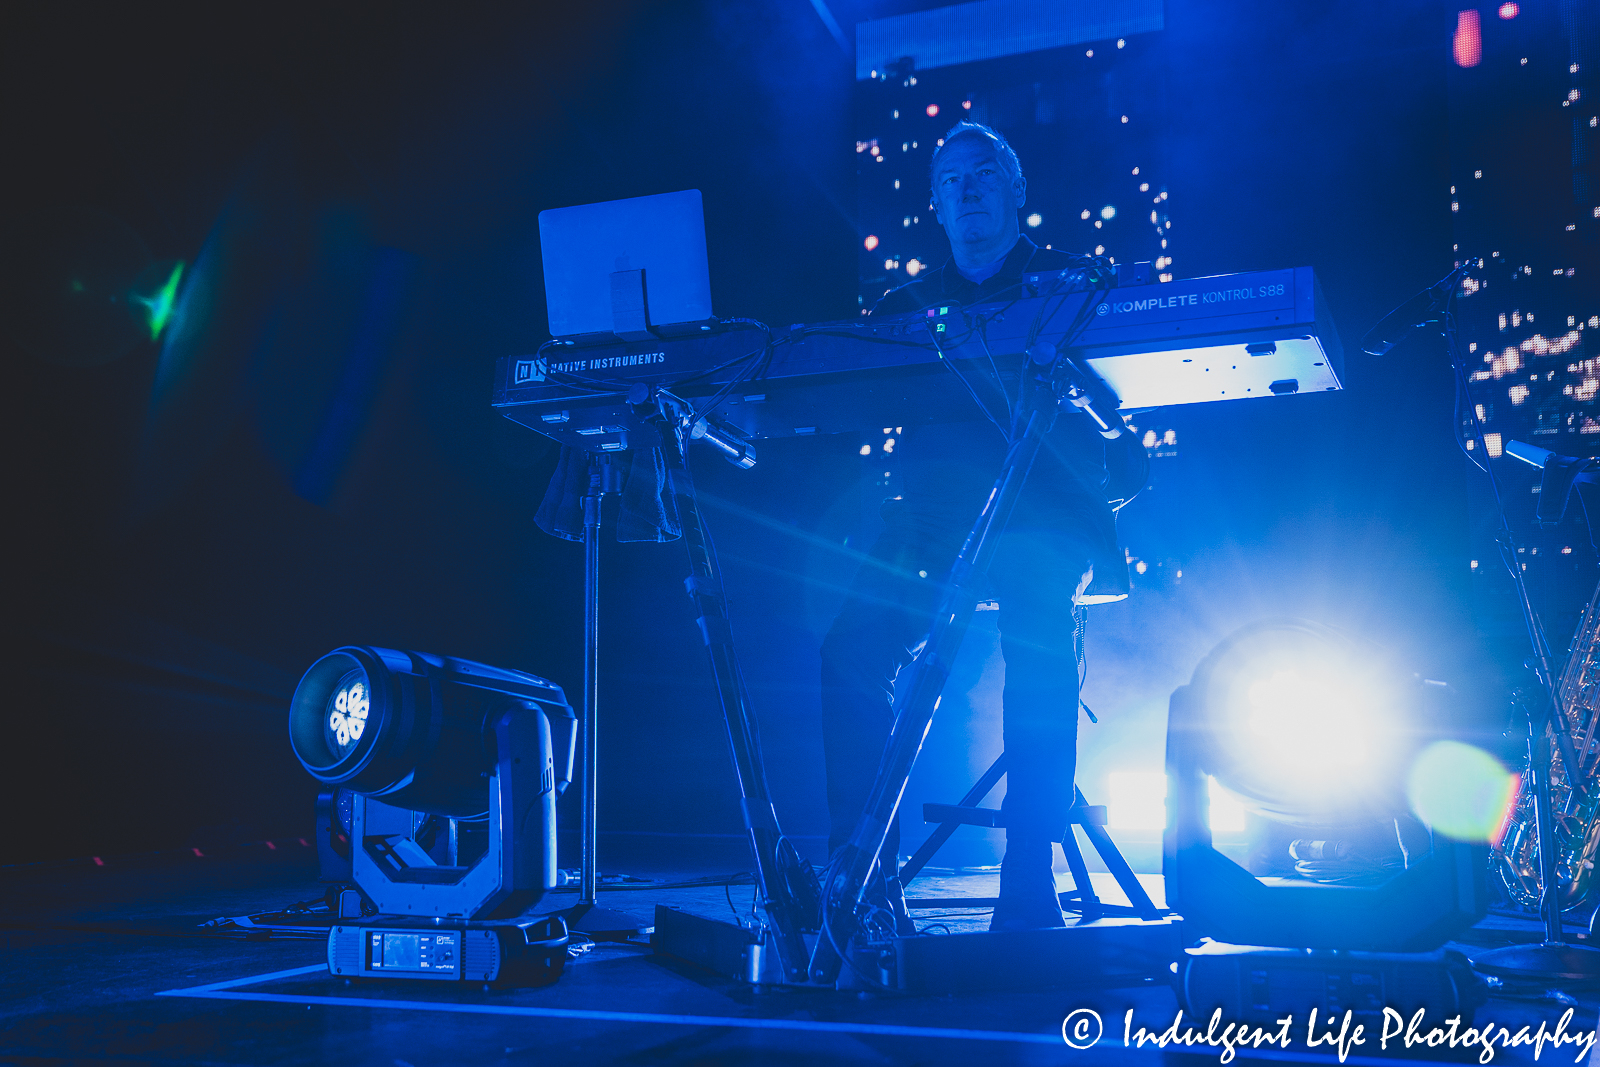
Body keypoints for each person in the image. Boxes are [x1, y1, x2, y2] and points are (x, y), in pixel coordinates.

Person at [819, 122, 1148, 932]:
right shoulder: (904, 310)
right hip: (935, 523)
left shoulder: (1075, 285)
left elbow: (1128, 454)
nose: (966, 191)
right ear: (935, 206)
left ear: (1016, 189)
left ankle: (1027, 874)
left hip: (1042, 512)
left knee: (1036, 628)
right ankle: (862, 877)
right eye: (950, 181)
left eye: (983, 175)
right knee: (849, 645)